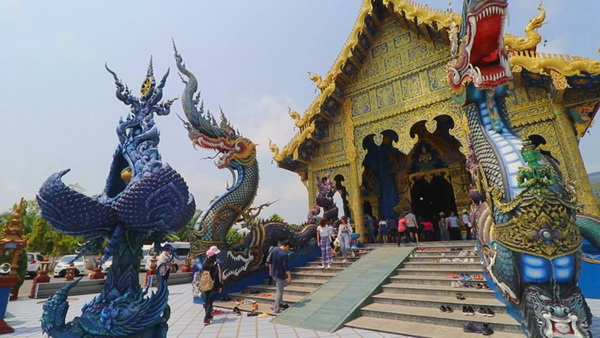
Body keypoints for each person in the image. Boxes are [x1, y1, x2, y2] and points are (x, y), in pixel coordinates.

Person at [267, 239, 292, 313]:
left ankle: (276, 305)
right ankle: (276, 309)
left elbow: (270, 261)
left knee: (280, 290)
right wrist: (289, 277)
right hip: (280, 275)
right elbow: (286, 268)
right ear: (286, 246)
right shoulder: (284, 254)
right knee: (279, 292)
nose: (288, 249)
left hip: (274, 273)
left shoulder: (274, 249)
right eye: (288, 247)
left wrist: (270, 270)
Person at [202, 246, 223, 325]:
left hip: (205, 284)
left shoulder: (204, 263)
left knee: (207, 301)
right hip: (213, 285)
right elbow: (219, 276)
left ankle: (209, 315)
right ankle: (206, 318)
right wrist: (220, 286)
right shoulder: (216, 264)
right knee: (210, 302)